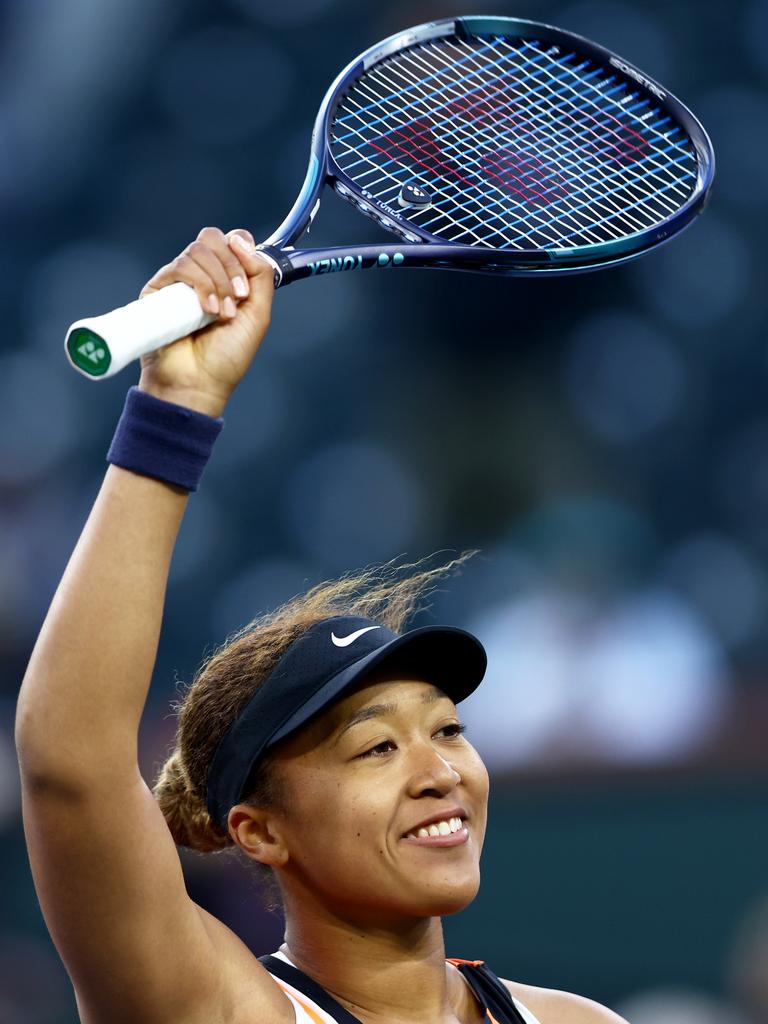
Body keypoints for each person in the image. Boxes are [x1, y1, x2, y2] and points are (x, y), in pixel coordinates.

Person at [16, 227, 629, 1024]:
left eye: (447, 730)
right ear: (261, 832)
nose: (441, 771)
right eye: (377, 747)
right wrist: (177, 408)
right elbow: (71, 761)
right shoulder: (220, 1011)